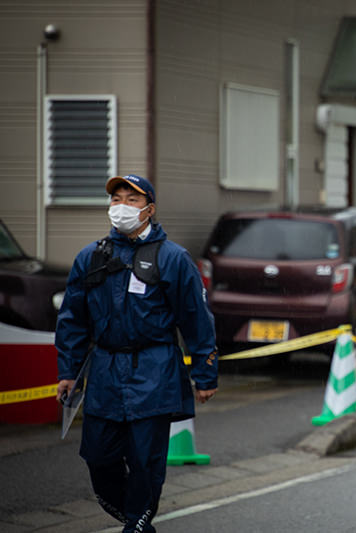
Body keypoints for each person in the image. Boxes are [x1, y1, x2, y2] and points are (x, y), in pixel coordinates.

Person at [55, 174, 218, 533]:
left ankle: (137, 524)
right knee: (98, 457)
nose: (122, 207)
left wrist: (205, 374)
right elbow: (72, 319)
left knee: (146, 462)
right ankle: (136, 518)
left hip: (154, 370)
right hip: (105, 372)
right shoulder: (92, 257)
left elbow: (196, 320)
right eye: (116, 199)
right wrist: (67, 371)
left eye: (132, 200)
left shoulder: (173, 258)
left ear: (149, 209)